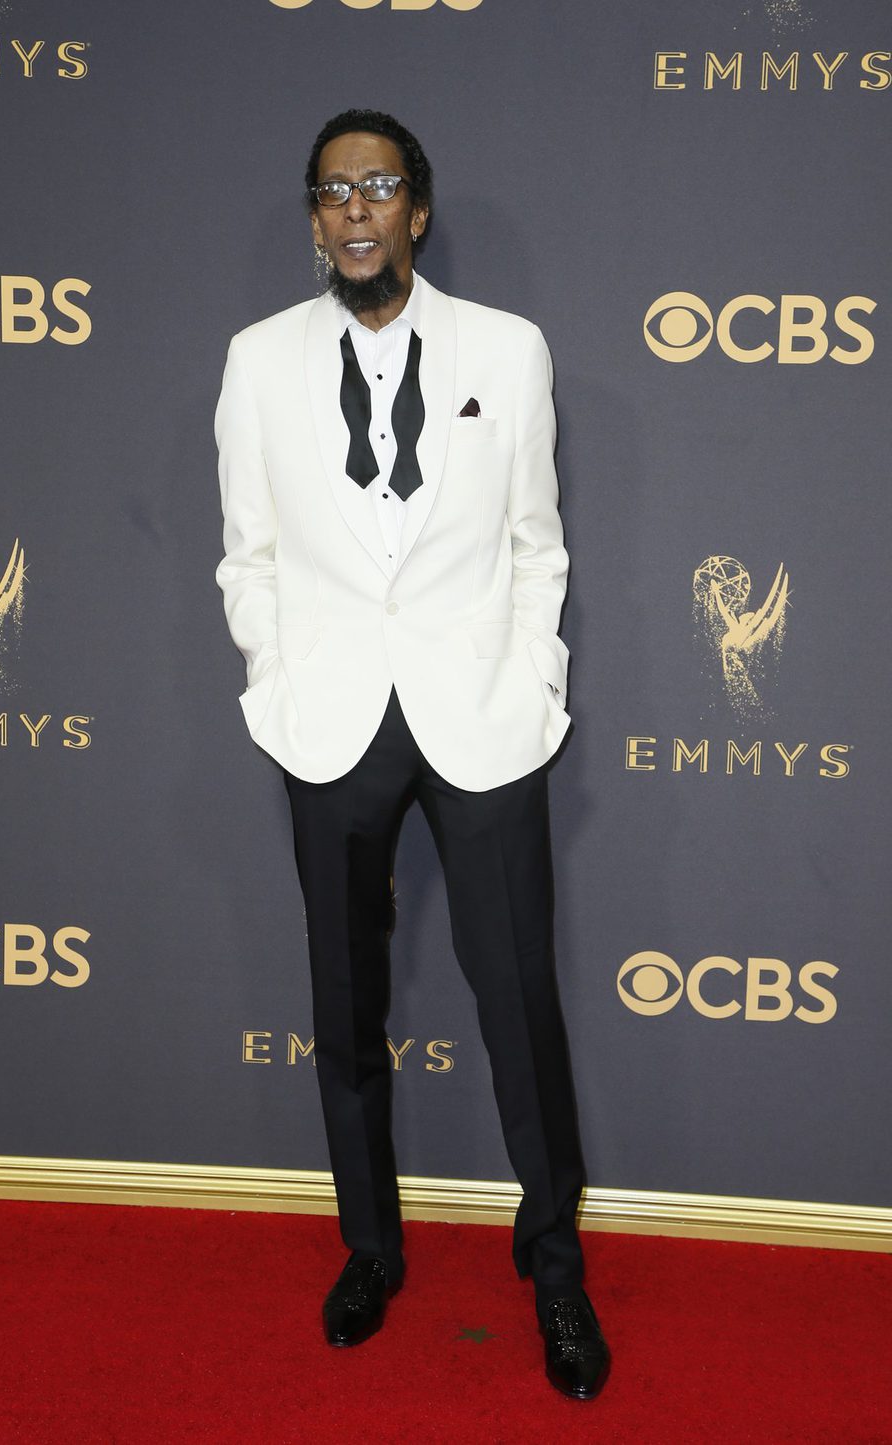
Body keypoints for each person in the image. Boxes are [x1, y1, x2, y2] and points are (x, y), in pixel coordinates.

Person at [214, 108, 609, 1401]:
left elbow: (538, 540)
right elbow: (249, 551)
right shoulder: (258, 361)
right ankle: (370, 1249)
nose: (356, 209)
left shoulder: (510, 347)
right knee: (344, 1015)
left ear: (418, 212)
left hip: (482, 720)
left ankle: (554, 1264)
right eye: (334, 191)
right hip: (328, 725)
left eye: (379, 186)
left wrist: (535, 678)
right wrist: (274, 680)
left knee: (518, 1004)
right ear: (316, 218)